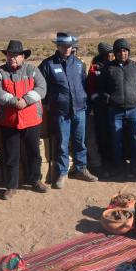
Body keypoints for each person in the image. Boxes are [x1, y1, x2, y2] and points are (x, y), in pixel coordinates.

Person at [0, 40, 48, 200]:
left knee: (34, 153)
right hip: (9, 121)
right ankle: (11, 186)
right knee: (11, 155)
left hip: (31, 120)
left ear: (23, 56)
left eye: (16, 55)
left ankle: (36, 180)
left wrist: (26, 100)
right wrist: (14, 101)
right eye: (9, 55)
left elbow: (42, 88)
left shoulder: (32, 70)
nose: (12, 58)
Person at [39, 33, 97, 188]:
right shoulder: (47, 64)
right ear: (57, 46)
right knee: (62, 144)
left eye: (69, 46)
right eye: (63, 46)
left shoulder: (79, 64)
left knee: (80, 142)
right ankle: (62, 173)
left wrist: (86, 103)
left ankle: (81, 169)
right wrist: (49, 105)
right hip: (60, 112)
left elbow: (84, 84)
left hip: (79, 110)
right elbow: (41, 88)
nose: (66, 49)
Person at [98, 38, 136, 177]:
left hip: (134, 109)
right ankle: (118, 166)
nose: (122, 53)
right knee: (116, 139)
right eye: (119, 50)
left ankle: (134, 165)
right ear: (115, 52)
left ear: (129, 52)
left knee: (134, 138)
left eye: (125, 50)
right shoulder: (108, 68)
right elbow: (101, 88)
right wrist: (108, 99)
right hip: (115, 110)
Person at [87, 42, 115, 172]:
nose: (113, 56)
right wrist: (96, 98)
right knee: (102, 132)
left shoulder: (115, 65)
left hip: (114, 103)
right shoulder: (95, 67)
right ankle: (105, 158)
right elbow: (91, 85)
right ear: (104, 55)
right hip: (100, 105)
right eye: (110, 53)